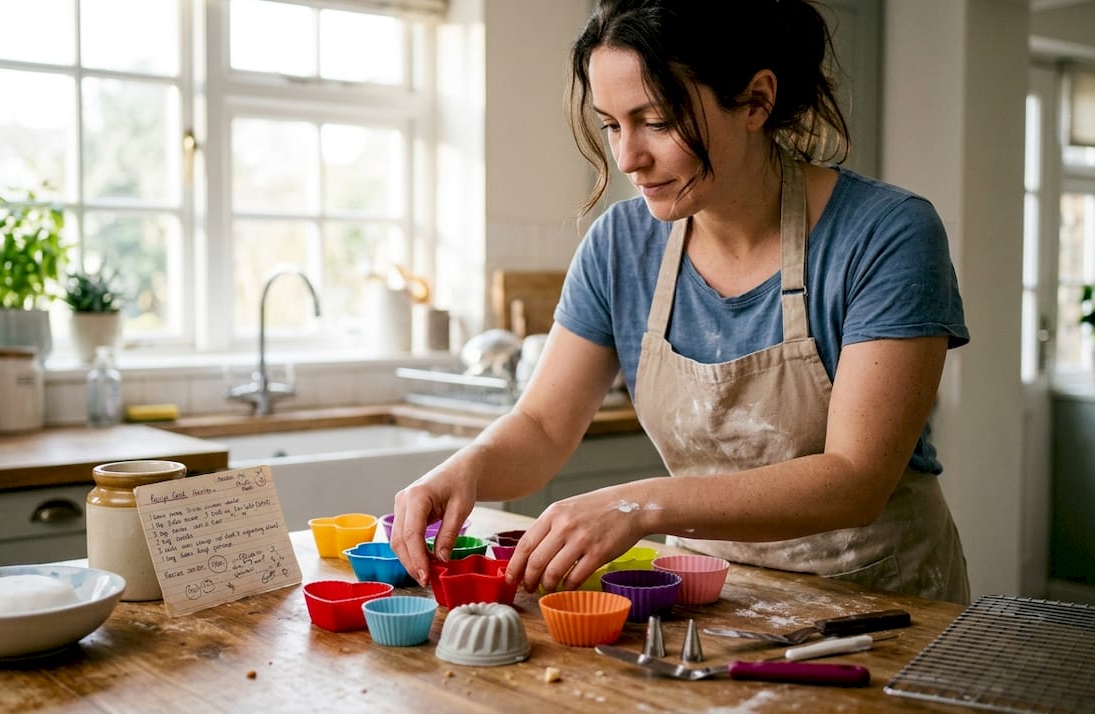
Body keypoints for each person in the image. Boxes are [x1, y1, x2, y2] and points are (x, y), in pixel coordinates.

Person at [391, 0, 971, 604]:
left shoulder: (886, 234)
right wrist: (464, 470)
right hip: (708, 600)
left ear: (755, 101)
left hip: (885, 606)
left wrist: (637, 505)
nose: (627, 159)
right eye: (613, 124)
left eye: (658, 121)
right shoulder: (621, 244)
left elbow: (855, 479)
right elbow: (540, 427)